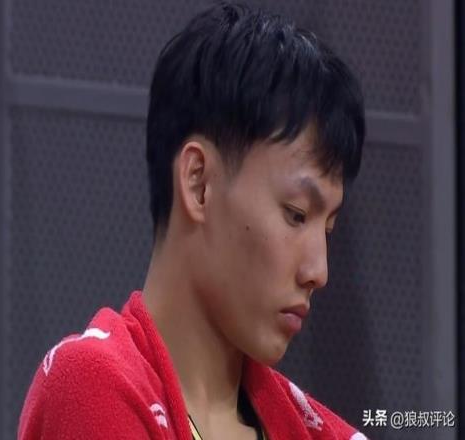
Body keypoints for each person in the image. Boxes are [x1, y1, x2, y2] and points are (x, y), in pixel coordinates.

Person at [18, 2, 368, 439]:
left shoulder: (323, 432)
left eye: (328, 229)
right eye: (296, 214)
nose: (319, 271)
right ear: (199, 183)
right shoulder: (91, 385)